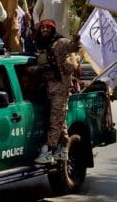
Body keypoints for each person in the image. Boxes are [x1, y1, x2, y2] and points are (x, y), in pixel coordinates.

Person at [30, 19, 80, 164]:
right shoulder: (41, 45)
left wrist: (76, 40)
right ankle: (63, 150)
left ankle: (48, 150)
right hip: (48, 88)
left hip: (60, 89)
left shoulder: (60, 43)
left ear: (53, 30)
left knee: (55, 121)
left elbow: (73, 47)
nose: (45, 30)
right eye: (43, 28)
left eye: (48, 28)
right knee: (60, 121)